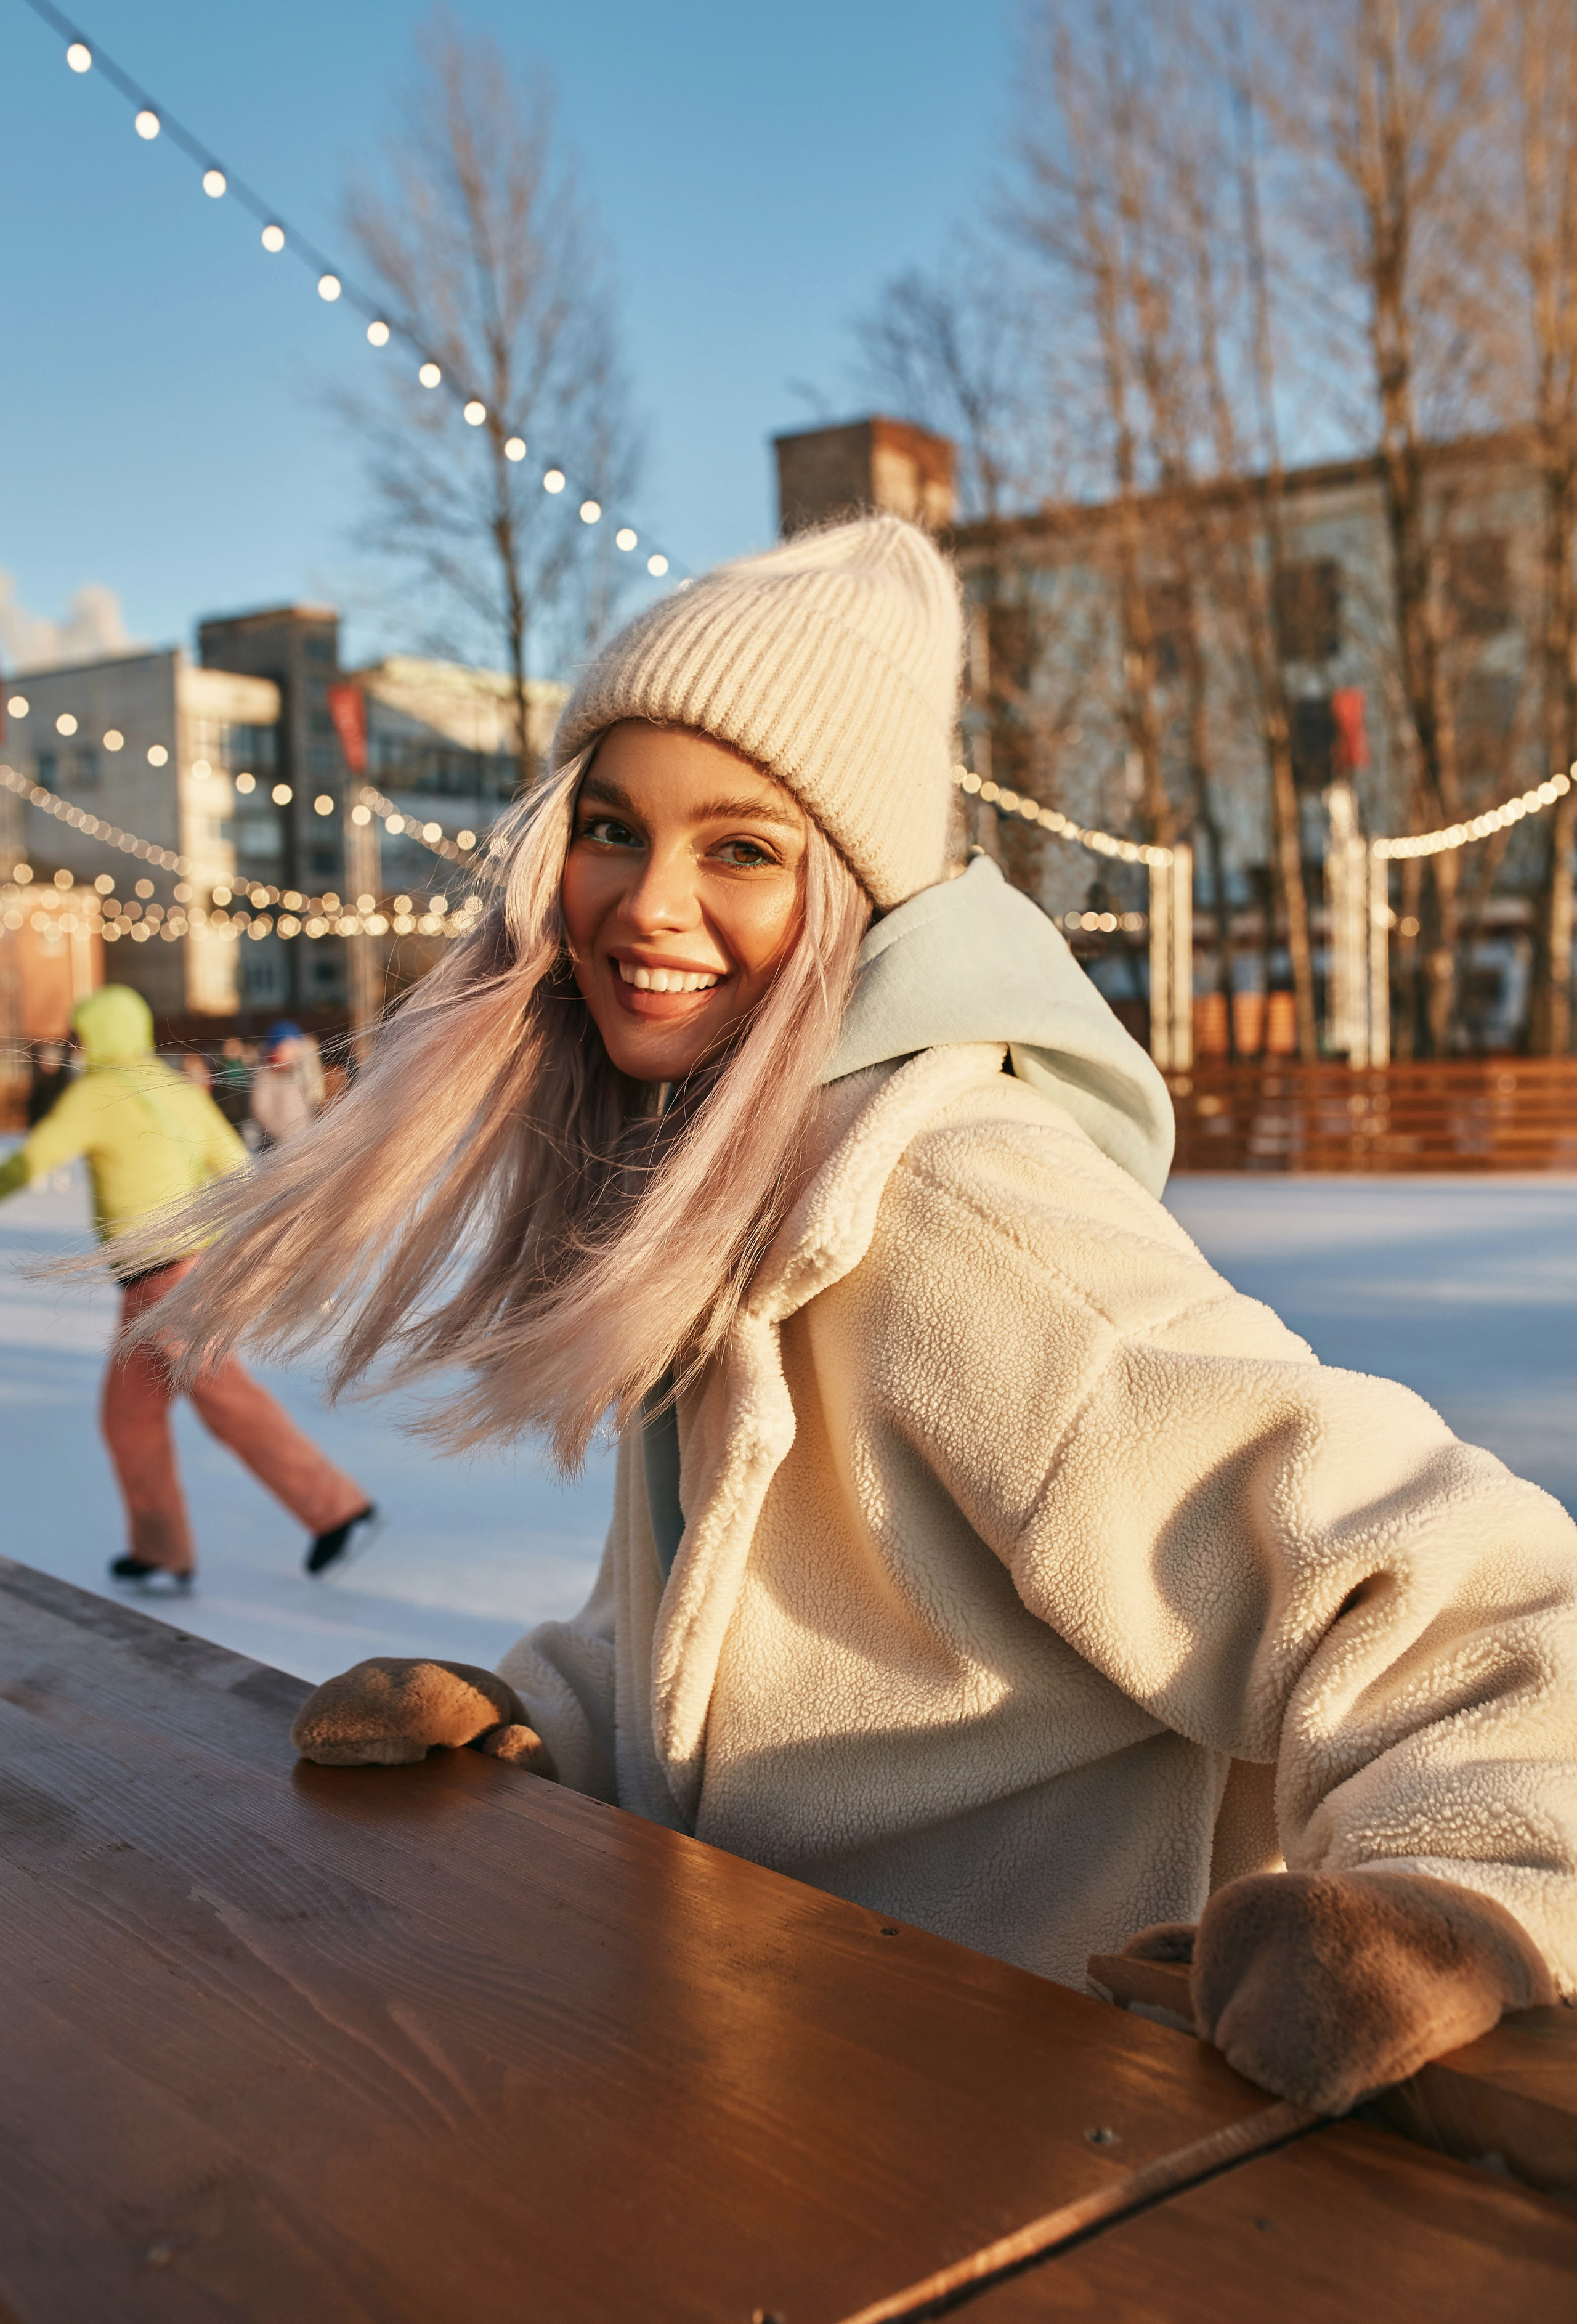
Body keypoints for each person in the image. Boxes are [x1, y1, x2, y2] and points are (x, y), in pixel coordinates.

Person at [139, 518, 1576, 2119]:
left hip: (1040, 2136)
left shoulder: (946, 1210)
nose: (646, 907)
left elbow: (1449, 1586)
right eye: (612, 828)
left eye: (741, 849)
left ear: (852, 892)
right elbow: (745, 1607)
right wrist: (558, 1703)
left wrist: (1474, 1896)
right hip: (787, 2088)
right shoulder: (725, 1177)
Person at [0, 984, 375, 1592]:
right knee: (128, 1419)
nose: (75, 1046)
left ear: (97, 1036)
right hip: (169, 1277)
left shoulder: (96, 1093)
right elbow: (233, 1162)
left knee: (227, 1398)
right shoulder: (174, 1088)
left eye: (80, 1034)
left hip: (166, 1278)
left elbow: (30, 1161)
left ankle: (336, 1507)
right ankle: (162, 1549)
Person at [250, 1020, 319, 1149]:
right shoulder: (266, 1078)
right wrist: (283, 1135)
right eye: (290, 1048)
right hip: (280, 1145)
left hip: (302, 1140)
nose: (296, 1054)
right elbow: (262, 1112)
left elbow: (307, 1105)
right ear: (275, 1050)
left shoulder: (296, 1075)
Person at [26, 1039, 73, 1127]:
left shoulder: (67, 1087)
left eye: (52, 1061)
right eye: (46, 1061)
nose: (49, 1065)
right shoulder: (39, 1090)